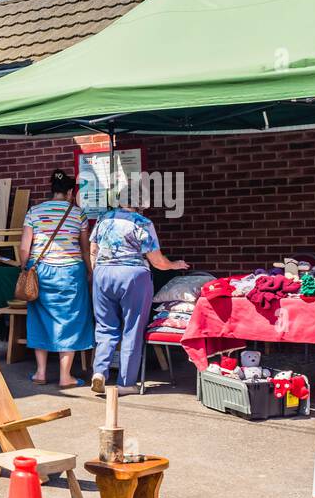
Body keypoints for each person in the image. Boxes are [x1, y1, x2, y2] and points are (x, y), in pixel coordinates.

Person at [89, 203, 189, 395]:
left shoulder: (103, 219)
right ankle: (125, 383)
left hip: (103, 273)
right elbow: (158, 261)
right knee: (132, 328)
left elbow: (93, 250)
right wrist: (175, 264)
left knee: (105, 326)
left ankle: (100, 371)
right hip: (133, 275)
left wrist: (98, 271)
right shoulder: (143, 223)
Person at [20, 169, 93, 387]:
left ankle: (40, 373)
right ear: (70, 191)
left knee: (40, 319)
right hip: (71, 272)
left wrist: (26, 267)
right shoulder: (78, 214)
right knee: (70, 320)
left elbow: (25, 247)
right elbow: (85, 248)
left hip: (40, 270)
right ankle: (65, 376)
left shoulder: (34, 211)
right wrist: (89, 270)